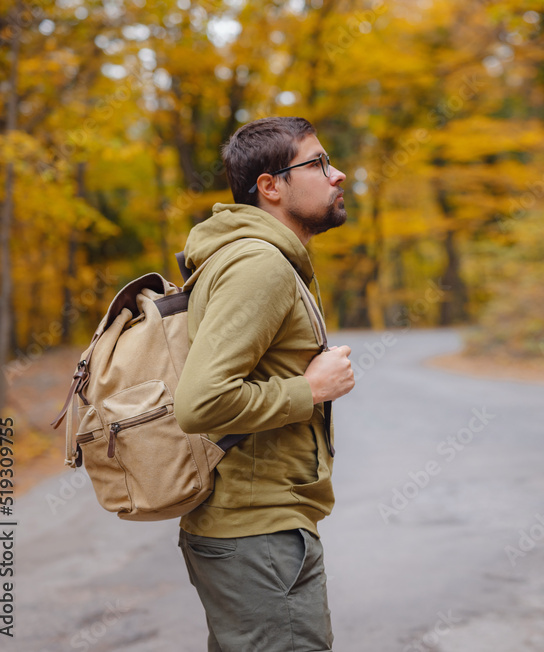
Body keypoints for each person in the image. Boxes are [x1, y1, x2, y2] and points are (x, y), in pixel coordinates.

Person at [173, 116, 355, 652]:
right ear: (270, 186)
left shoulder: (258, 258)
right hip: (258, 533)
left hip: (258, 528)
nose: (337, 174)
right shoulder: (260, 265)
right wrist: (311, 390)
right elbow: (200, 402)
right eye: (318, 163)